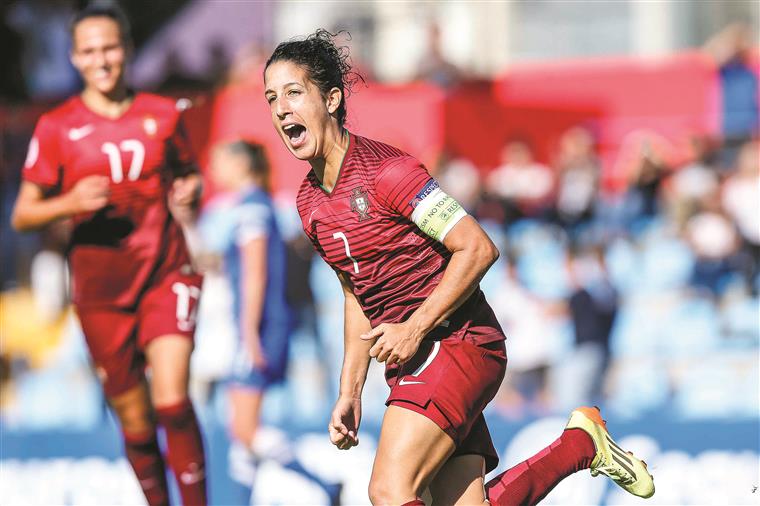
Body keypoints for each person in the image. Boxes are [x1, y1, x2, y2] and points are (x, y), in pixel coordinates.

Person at [263, 29, 655, 505]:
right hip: (415, 360)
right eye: (271, 98)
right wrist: (349, 390)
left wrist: (414, 327)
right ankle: (579, 444)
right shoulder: (308, 203)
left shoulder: (389, 171)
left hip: (455, 343)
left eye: (293, 92)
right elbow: (354, 294)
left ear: (331, 98)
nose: (281, 108)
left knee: (390, 492)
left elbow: (478, 247)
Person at [11, 6, 207, 505]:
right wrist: (70, 203)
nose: (103, 59)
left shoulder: (162, 114)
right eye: (91, 51)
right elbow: (23, 214)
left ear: (127, 49)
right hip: (101, 291)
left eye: (111, 47)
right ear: (76, 58)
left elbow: (188, 174)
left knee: (173, 400)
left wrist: (189, 191)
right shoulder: (58, 126)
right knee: (137, 423)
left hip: (165, 270)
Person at [204, 140, 342, 505]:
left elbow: (255, 273)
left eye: (219, 160)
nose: (214, 170)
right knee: (241, 433)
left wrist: (248, 332)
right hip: (267, 325)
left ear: (241, 166)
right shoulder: (260, 208)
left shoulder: (251, 210)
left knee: (245, 430)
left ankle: (322, 482)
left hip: (259, 327)